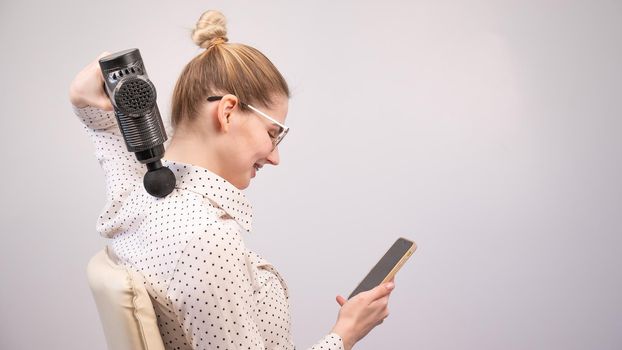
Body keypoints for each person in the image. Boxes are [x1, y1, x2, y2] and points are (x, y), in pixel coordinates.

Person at [70, 10, 395, 350]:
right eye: (274, 133)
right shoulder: (207, 238)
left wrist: (100, 88)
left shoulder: (138, 194)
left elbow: (94, 116)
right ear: (227, 112)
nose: (275, 157)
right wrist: (344, 334)